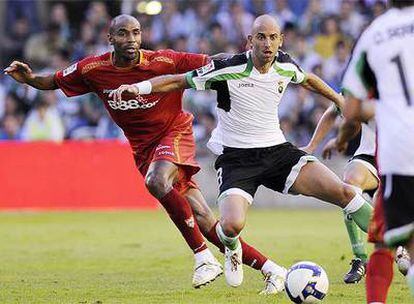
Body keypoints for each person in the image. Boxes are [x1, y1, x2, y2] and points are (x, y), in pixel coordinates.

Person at [4, 15, 286, 293]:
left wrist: (248, 57)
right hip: (143, 149)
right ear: (110, 38)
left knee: (156, 181)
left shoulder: (163, 61)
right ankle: (272, 270)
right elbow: (53, 80)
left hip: (175, 132)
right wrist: (29, 79)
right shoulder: (93, 69)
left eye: (136, 33)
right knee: (202, 216)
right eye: (124, 34)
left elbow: (213, 60)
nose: (131, 40)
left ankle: (202, 257)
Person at [112, 14, 373, 287]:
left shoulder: (284, 63)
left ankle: (398, 246)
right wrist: (138, 86)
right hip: (237, 159)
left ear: (281, 40)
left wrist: (338, 99)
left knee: (345, 193)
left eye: (273, 37)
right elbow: (179, 81)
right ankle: (232, 249)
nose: (267, 43)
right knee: (230, 226)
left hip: (278, 152)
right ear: (250, 41)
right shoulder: (228, 68)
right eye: (261, 37)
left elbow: (308, 79)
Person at [340, 1, 414, 302]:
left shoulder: (376, 34)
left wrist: (342, 137)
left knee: (387, 242)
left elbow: (352, 106)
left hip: (401, 151)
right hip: (389, 152)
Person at [303, 101, 410, 284]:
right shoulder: (363, 78)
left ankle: (400, 245)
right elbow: (334, 108)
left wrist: (339, 141)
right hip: (370, 155)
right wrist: (312, 146)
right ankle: (361, 259)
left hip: (404, 160)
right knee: (349, 186)